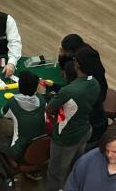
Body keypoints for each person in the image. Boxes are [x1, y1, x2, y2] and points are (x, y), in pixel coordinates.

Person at [45, 48, 101, 191]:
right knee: (75, 166)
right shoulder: (95, 83)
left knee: (55, 172)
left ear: (78, 65)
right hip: (84, 130)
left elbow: (49, 109)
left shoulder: (69, 91)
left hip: (65, 137)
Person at [1, 70, 46, 163]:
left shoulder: (13, 103)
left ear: (19, 86)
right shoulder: (42, 101)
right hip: (41, 148)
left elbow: (4, 113)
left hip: (20, 154)